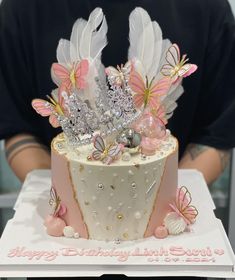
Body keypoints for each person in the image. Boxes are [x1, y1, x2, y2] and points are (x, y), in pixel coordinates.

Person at [0, 0, 235, 279]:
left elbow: (218, 134)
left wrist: (160, 209)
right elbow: (17, 130)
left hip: (172, 263)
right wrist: (70, 209)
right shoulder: (21, 9)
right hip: (57, 263)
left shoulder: (207, 7)